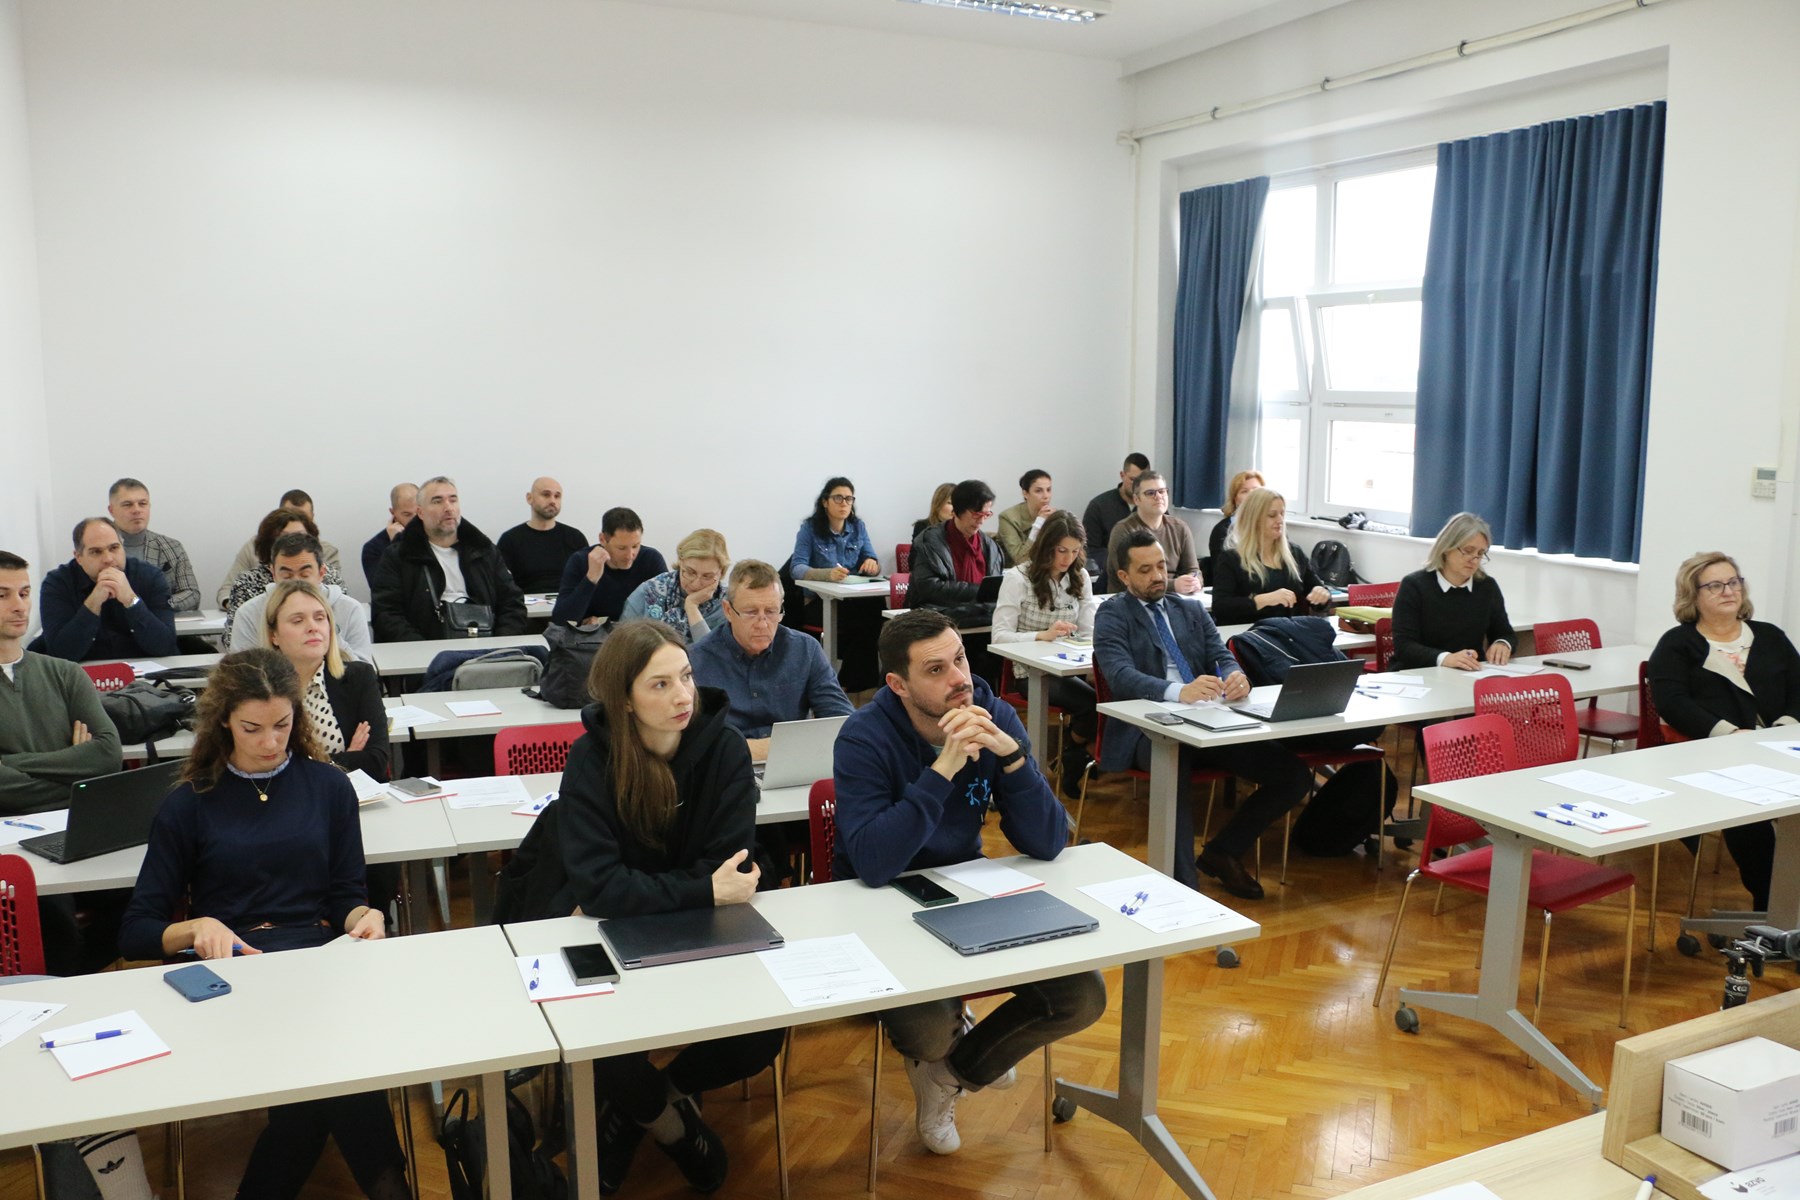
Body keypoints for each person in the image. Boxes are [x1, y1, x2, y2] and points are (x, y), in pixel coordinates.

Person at [118, 649, 406, 1200]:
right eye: (253, 728)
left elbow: (347, 896)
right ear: (224, 721)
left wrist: (365, 917)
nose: (271, 742)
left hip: (318, 962)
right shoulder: (189, 803)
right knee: (341, 1074)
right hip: (233, 974)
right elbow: (136, 930)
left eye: (282, 725)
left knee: (323, 1081)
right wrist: (196, 927)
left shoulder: (329, 786)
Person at [832, 610, 1105, 1156]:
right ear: (899, 685)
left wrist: (1013, 758)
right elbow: (875, 863)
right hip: (883, 907)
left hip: (967, 893)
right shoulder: (863, 737)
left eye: (959, 658)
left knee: (1081, 996)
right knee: (928, 1032)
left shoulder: (992, 711)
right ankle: (953, 1038)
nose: (959, 678)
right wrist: (943, 771)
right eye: (936, 670)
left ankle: (948, 1075)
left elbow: (1050, 840)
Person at [554, 620, 782, 1195]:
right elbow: (600, 887)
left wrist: (659, 890)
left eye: (686, 677)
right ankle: (670, 1127)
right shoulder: (591, 759)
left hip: (702, 924)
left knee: (761, 1034)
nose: (683, 695)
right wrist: (700, 889)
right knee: (597, 1039)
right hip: (611, 930)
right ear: (625, 701)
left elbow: (729, 864)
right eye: (660, 685)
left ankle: (648, 1104)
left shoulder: (724, 748)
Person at [1094, 529, 1317, 899]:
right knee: (1175, 763)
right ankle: (1183, 890)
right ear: (1124, 576)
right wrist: (1177, 691)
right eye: (1145, 570)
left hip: (1207, 720)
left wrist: (1236, 675)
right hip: (1147, 728)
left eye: (1161, 566)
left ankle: (1223, 852)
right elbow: (1119, 676)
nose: (1157, 576)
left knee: (1292, 775)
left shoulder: (1190, 608)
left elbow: (1221, 653)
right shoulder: (1112, 613)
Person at [1648, 552, 1797, 912]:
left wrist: (1783, 727)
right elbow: (1672, 702)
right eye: (1715, 586)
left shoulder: (1770, 636)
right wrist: (1729, 735)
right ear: (1693, 595)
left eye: (1734, 582)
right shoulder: (1677, 644)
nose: (1728, 591)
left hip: (1779, 748)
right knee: (1748, 811)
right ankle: (1771, 908)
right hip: (1712, 756)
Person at [688, 559, 851, 759]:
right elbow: (695, 742)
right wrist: (775, 748)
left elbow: (842, 722)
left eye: (771, 612)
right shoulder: (697, 661)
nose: (763, 624)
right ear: (728, 611)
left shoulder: (805, 650)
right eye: (751, 613)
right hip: (729, 767)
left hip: (792, 762)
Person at [0, 551, 122, 815]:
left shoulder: (66, 673)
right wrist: (76, 778)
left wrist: (8, 762)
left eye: (24, 593)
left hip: (74, 823)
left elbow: (109, 755)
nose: (19, 606)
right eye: (2, 596)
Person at [991, 511, 1098, 790]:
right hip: (1030, 673)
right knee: (1090, 704)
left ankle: (1070, 754)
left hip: (1069, 667)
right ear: (1046, 546)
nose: (1068, 559)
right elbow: (999, 637)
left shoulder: (1080, 577)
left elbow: (1089, 632)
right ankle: (1070, 756)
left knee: (1109, 701)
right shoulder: (1018, 578)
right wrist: (1041, 635)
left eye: (1075, 551)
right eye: (1061, 550)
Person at [371, 475, 529, 641]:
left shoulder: (484, 551)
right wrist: (422, 649)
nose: (448, 507)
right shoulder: (399, 555)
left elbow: (512, 603)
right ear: (420, 512)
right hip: (424, 648)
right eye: (437, 501)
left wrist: (500, 643)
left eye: (453, 500)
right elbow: (386, 613)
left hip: (486, 645)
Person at [34, 517, 178, 662]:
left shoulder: (151, 576)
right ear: (79, 557)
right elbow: (60, 654)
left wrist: (131, 600)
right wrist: (93, 603)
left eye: (114, 548)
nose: (108, 559)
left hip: (144, 669)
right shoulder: (57, 584)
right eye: (96, 552)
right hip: (84, 672)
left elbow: (165, 646)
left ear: (123, 547)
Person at [1390, 512, 1514, 671]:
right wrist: (1446, 658)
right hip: (1418, 673)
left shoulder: (1486, 586)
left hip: (1468, 672)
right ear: (1447, 548)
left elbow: (1506, 633)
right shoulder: (1414, 585)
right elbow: (1404, 646)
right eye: (1468, 550)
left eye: (1480, 553)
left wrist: (1502, 644)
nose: (1474, 559)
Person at [231, 533, 374, 662]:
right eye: (286, 576)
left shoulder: (350, 608)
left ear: (321, 573)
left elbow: (364, 669)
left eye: (305, 575)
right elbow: (241, 672)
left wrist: (331, 634)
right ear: (273, 574)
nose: (296, 583)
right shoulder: (249, 613)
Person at [1208, 487, 1330, 625]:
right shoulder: (1231, 559)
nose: (1280, 520)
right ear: (1254, 519)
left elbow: (1317, 590)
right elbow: (1221, 607)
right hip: (1250, 633)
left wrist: (1322, 595)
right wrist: (1263, 600)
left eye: (1282, 514)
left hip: (1289, 631)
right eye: (1272, 515)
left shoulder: (1294, 553)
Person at [216, 488, 343, 606]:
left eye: (305, 574)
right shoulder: (250, 568)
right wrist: (239, 606)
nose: (293, 543)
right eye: (285, 536)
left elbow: (340, 604)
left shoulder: (328, 559)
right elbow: (226, 592)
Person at [552, 507, 668, 629]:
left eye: (635, 546)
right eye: (621, 548)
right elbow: (560, 620)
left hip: (637, 635)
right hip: (592, 638)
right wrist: (591, 578)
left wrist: (607, 624)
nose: (630, 555)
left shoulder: (651, 559)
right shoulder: (581, 561)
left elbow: (668, 612)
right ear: (602, 539)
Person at [106, 477, 200, 612]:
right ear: (111, 510)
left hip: (161, 621)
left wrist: (155, 605)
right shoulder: (97, 550)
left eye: (142, 503)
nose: (136, 510)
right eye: (127, 504)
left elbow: (192, 594)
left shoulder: (172, 547)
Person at [909, 479, 1006, 609]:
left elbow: (994, 589)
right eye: (976, 514)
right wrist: (979, 591)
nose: (981, 521)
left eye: (986, 515)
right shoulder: (929, 542)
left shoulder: (991, 547)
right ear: (957, 510)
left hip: (982, 613)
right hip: (939, 613)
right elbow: (929, 587)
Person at [622, 528, 729, 645]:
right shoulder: (648, 592)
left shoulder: (730, 604)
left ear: (721, 572)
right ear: (680, 562)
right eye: (690, 572)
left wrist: (692, 606)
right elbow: (621, 645)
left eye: (707, 576)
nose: (696, 584)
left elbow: (712, 654)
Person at [1105, 470, 1201, 596]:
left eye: (1162, 491)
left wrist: (1194, 581)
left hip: (1174, 597)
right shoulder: (1123, 530)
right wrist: (1173, 585)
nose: (1158, 496)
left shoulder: (1180, 528)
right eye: (1150, 493)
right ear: (1137, 499)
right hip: (1132, 599)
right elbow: (1129, 580)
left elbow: (1193, 569)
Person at [497, 476, 589, 594]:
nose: (552, 501)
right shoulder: (510, 540)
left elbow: (587, 580)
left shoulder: (575, 538)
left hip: (567, 602)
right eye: (546, 495)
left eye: (557, 496)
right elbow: (502, 585)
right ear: (529, 498)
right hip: (526, 603)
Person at [791, 476, 880, 581]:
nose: (844, 503)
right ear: (825, 502)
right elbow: (796, 569)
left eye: (848, 499)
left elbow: (875, 564)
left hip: (852, 588)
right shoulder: (809, 528)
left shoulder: (858, 526)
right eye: (838, 498)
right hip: (821, 590)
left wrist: (872, 565)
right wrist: (826, 574)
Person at [1082, 452, 1149, 591]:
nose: (1137, 485)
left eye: (1142, 481)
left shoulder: (1153, 506)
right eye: (1132, 479)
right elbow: (1090, 549)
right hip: (1111, 579)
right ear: (1122, 475)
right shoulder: (1099, 506)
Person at [361, 483, 418, 593]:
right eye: (407, 514)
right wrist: (397, 545)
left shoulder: (435, 536)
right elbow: (383, 590)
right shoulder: (373, 548)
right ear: (393, 513)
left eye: (418, 513)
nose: (415, 520)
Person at [995, 469, 1055, 565]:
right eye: (1038, 491)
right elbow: (1020, 560)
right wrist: (1039, 523)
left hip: (1042, 570)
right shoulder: (1008, 518)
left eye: (1048, 490)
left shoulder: (1054, 516)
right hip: (1012, 571)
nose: (1046, 496)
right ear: (1025, 493)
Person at [1208, 469, 1265, 565]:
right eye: (1244, 491)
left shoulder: (1273, 524)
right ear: (1235, 499)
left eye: (1256, 490)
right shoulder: (1222, 531)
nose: (1251, 495)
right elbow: (1221, 569)